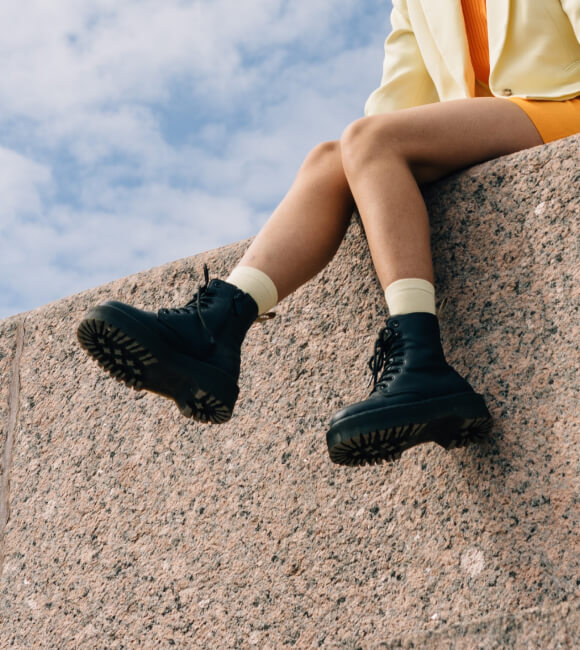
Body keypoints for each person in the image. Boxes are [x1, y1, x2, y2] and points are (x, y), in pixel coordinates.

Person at [77, 0, 580, 467]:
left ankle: (422, 359)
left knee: (367, 141)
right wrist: (359, 169)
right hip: (487, 126)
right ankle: (215, 329)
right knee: (330, 157)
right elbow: (396, 104)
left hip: (566, 107)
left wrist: (369, 148)